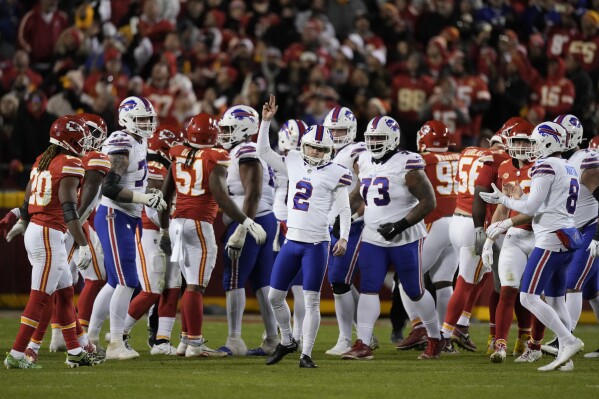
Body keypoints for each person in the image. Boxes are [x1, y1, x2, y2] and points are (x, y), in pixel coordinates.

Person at [480, 121, 584, 371]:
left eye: (535, 142)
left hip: (549, 238)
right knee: (557, 300)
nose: (532, 147)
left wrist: (500, 199)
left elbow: (529, 208)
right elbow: (531, 201)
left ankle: (568, 341)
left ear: (548, 143)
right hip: (566, 235)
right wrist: (506, 204)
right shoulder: (568, 166)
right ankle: (564, 355)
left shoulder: (545, 165)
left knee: (527, 297)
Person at [257, 95, 352, 368]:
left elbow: (344, 208)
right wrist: (266, 123)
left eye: (321, 150)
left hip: (316, 245)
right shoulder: (294, 159)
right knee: (274, 297)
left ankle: (306, 354)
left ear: (329, 151)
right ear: (304, 146)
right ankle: (287, 340)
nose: (315, 154)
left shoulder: (336, 172)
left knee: (311, 301)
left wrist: (343, 235)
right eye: (312, 149)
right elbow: (264, 152)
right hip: (291, 241)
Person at [161, 113, 266, 357]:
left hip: (177, 222)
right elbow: (221, 197)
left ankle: (185, 341)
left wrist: (165, 228)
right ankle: (195, 345)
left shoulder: (177, 153)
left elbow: (166, 197)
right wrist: (247, 222)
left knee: (189, 284)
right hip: (198, 224)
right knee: (196, 287)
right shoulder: (213, 157)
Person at [4, 116, 103, 369]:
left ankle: (75, 351)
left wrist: (20, 218)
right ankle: (17, 354)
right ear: (69, 140)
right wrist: (82, 244)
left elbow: (28, 201)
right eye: (81, 138)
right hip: (49, 235)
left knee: (65, 293)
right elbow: (70, 209)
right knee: (39, 298)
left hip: (40, 231)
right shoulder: (69, 163)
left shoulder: (43, 160)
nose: (85, 143)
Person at [342, 115, 442, 360]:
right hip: (373, 236)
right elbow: (358, 194)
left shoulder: (407, 163)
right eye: (371, 138)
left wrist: (399, 225)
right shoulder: (363, 159)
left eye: (379, 138)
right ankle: (363, 344)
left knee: (414, 290)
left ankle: (435, 337)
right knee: (368, 289)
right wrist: (341, 218)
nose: (374, 142)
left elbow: (429, 202)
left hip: (405, 237)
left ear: (393, 139)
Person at [87, 96, 167, 360]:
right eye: (141, 119)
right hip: (114, 213)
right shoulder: (121, 144)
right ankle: (115, 343)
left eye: (148, 118)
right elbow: (109, 187)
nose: (146, 123)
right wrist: (144, 198)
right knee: (128, 280)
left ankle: (90, 338)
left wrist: (147, 198)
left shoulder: (138, 141)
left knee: (113, 282)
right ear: (125, 119)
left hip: (127, 216)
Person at [115, 125, 184, 355]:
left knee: (173, 286)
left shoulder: (171, 167)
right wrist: (169, 226)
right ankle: (118, 334)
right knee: (152, 289)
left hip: (170, 229)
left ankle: (162, 341)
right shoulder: (155, 168)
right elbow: (155, 207)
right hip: (152, 230)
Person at [440, 125, 510, 353]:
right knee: (466, 281)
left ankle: (460, 325)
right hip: (475, 223)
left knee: (483, 273)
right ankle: (443, 337)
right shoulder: (501, 158)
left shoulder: (468, 151)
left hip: (456, 220)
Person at [216, 104, 279, 356]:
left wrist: (242, 229)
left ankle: (234, 340)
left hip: (252, 222)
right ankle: (274, 339)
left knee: (233, 278)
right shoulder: (250, 150)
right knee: (262, 283)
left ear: (245, 129)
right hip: (264, 220)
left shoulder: (246, 150)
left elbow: (252, 194)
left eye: (229, 128)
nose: (224, 133)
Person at [538, 115, 599, 358]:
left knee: (572, 284)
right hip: (577, 230)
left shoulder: (585, 159)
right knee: (593, 291)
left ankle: (565, 338)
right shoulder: (568, 160)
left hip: (590, 229)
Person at [396, 120, 459, 350]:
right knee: (443, 282)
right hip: (459, 224)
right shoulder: (460, 157)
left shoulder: (423, 160)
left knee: (407, 278)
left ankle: (420, 327)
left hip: (437, 222)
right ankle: (446, 337)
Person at [479, 120, 536, 363]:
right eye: (518, 141)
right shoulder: (505, 167)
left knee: (534, 295)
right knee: (507, 290)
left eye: (526, 141)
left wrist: (506, 224)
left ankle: (534, 343)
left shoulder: (543, 168)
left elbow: (536, 209)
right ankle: (500, 344)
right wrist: (490, 238)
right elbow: (504, 205)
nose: (522, 146)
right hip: (514, 236)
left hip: (539, 236)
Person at [322, 106, 369, 356]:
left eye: (341, 130)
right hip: (332, 220)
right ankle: (366, 333)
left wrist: (349, 209)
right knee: (339, 280)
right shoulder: (328, 152)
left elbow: (365, 182)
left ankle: (345, 339)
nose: (336, 134)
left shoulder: (356, 150)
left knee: (339, 280)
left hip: (350, 222)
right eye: (333, 130)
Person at [274, 119, 308, 349]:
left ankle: (296, 335)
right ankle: (289, 335)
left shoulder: (295, 160)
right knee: (283, 288)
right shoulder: (282, 159)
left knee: (299, 288)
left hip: (293, 224)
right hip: (283, 223)